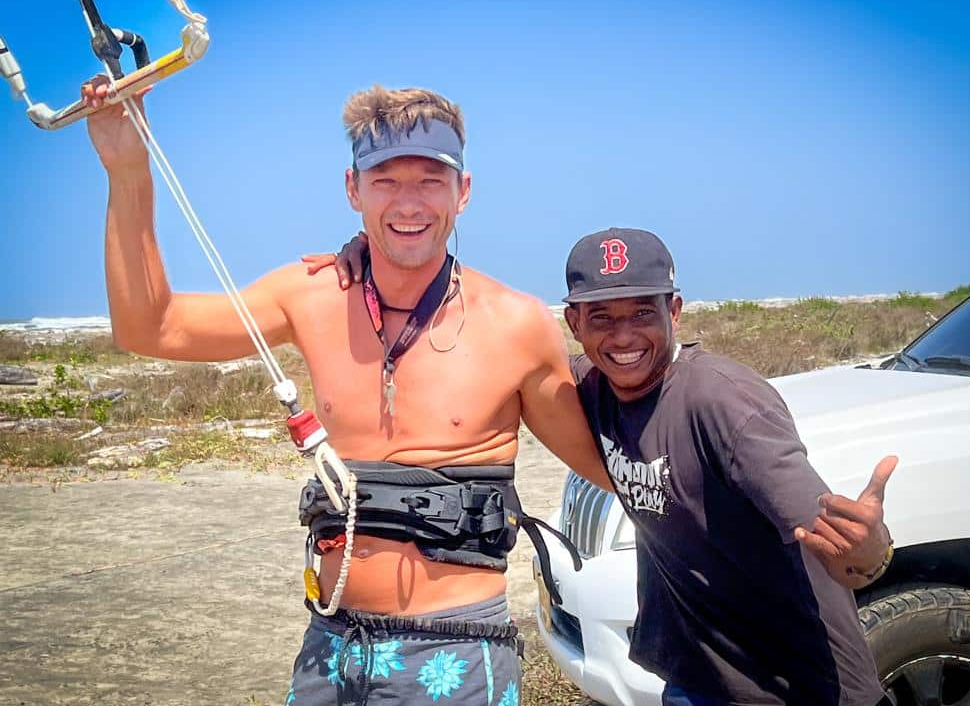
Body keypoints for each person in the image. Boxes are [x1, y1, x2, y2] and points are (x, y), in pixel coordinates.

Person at [80, 79, 612, 705]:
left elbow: (609, 469)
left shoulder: (517, 324)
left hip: (457, 652)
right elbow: (152, 327)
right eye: (385, 180)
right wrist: (127, 168)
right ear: (352, 189)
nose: (408, 203)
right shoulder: (310, 296)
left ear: (462, 193)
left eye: (430, 180)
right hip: (329, 649)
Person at [322, 227, 897, 705]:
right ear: (574, 323)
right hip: (696, 679)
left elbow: (834, 547)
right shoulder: (588, 389)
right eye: (602, 318)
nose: (624, 337)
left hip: (798, 689)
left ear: (675, 309)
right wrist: (384, 264)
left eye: (642, 313)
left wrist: (869, 552)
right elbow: (486, 339)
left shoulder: (723, 403)